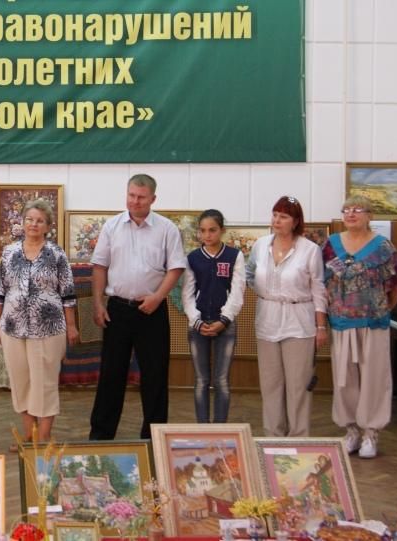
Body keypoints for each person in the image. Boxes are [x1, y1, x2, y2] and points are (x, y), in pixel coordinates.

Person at [88, 174, 186, 440]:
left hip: (152, 311)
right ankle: (101, 436)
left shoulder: (167, 229)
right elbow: (100, 267)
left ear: (153, 198)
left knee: (155, 376)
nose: (135, 201)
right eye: (131, 195)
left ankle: (154, 437)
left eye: (141, 197)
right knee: (111, 375)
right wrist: (98, 304)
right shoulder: (112, 227)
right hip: (117, 310)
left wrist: (158, 297)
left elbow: (176, 268)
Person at [0, 200, 78, 447]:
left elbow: (68, 294)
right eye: (29, 219)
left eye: (40, 221)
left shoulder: (57, 254)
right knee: (21, 381)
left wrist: (72, 326)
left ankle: (44, 436)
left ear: (48, 226)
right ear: (22, 222)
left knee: (44, 383)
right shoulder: (9, 252)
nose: (33, 224)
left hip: (48, 328)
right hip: (12, 327)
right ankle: (29, 435)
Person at [322, 195, 397, 458]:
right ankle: (352, 431)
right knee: (345, 380)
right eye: (346, 210)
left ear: (369, 215)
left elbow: (395, 284)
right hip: (341, 322)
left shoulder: (382, 247)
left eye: (357, 209)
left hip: (373, 322)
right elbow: (323, 281)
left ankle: (371, 433)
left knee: (374, 378)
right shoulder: (331, 245)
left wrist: (381, 309)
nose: (351, 214)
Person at [247, 195, 327, 437]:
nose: (277, 220)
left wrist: (321, 327)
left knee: (298, 385)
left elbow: (318, 289)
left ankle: (299, 438)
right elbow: (249, 274)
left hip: (299, 322)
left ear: (295, 221)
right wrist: (265, 293)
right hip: (267, 319)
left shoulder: (310, 250)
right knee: (270, 384)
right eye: (275, 215)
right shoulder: (260, 245)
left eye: (283, 216)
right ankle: (272, 437)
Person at [181, 209, 246, 423]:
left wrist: (224, 320)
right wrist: (196, 321)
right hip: (198, 326)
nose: (207, 235)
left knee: (221, 381)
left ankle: (220, 429)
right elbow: (188, 294)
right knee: (201, 380)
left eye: (212, 230)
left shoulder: (234, 256)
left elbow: (237, 292)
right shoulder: (193, 258)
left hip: (225, 326)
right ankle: (202, 428)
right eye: (203, 231)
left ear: (222, 230)